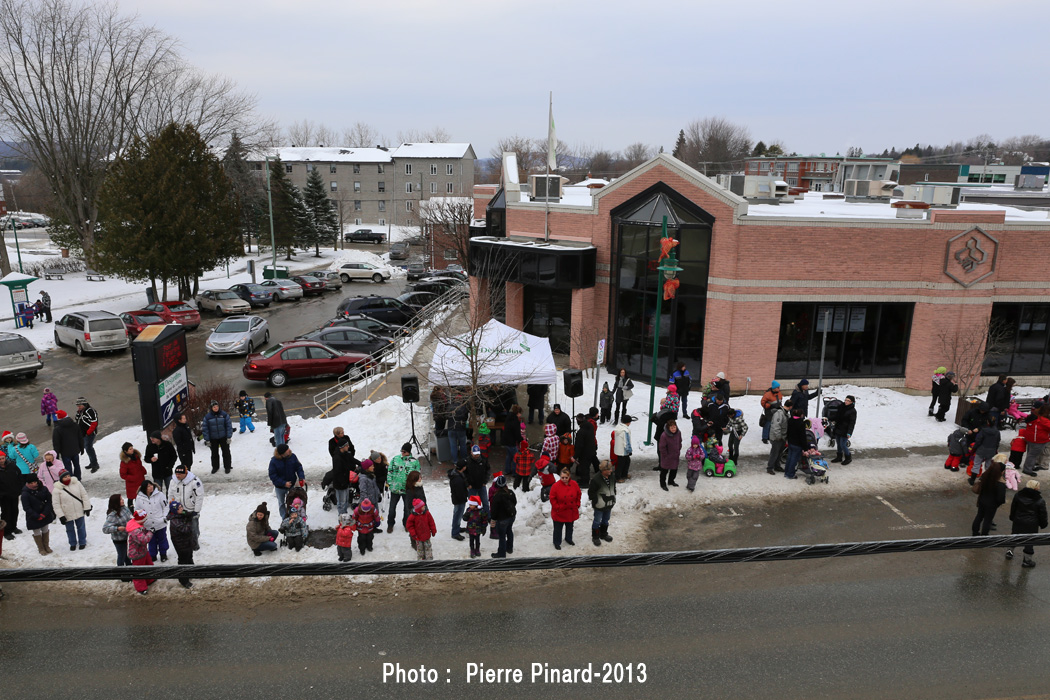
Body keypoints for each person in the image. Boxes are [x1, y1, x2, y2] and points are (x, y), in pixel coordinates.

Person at [1006, 479, 1048, 567]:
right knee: (1029, 541)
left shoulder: (1018, 495)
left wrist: (1012, 517)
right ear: (1036, 488)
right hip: (1031, 524)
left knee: (1014, 536)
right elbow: (1042, 514)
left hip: (1018, 520)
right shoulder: (1040, 500)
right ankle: (1027, 561)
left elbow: (1013, 507)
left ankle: (1009, 552)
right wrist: (1043, 524)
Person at [52, 469, 90, 551]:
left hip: (79, 509)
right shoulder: (57, 490)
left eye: (68, 476)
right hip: (67, 513)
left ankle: (82, 541)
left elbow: (84, 495)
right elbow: (56, 504)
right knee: (70, 529)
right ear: (61, 478)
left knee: (81, 527)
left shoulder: (77, 483)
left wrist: (87, 507)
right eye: (65, 477)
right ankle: (72, 543)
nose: (67, 478)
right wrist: (61, 516)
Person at [167, 465, 203, 545]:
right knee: (180, 527)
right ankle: (183, 542)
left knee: (193, 527)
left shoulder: (195, 482)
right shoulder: (173, 481)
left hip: (190, 509)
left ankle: (194, 543)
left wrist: (196, 511)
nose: (177, 476)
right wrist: (172, 507)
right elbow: (170, 495)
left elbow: (199, 497)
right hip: (178, 510)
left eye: (179, 474)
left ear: (185, 474)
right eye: (176, 474)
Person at [387, 443, 418, 532]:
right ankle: (390, 524)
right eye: (402, 451)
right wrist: (390, 484)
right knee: (392, 508)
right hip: (395, 489)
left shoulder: (414, 462)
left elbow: (417, 475)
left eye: (404, 451)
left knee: (407, 508)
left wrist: (413, 486)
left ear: (409, 452)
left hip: (407, 490)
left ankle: (406, 524)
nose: (402, 453)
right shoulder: (395, 459)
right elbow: (390, 471)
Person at [268, 444, 304, 520]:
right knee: (281, 503)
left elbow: (298, 467)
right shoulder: (274, 461)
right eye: (287, 450)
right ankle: (284, 518)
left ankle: (293, 517)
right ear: (282, 453)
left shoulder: (292, 456)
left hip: (291, 485)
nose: (289, 450)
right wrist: (283, 483)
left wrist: (301, 477)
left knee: (292, 502)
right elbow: (272, 475)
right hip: (280, 487)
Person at [20, 473, 54, 555]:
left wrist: (44, 513)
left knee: (45, 530)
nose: (33, 484)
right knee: (37, 532)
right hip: (33, 516)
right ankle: (41, 548)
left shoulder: (43, 489)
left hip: (44, 514)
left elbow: (49, 501)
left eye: (35, 482)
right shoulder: (25, 494)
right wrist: (36, 516)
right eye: (31, 483)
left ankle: (46, 546)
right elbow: (26, 507)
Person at [548, 467, 581, 550]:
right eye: (562, 477)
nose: (564, 479)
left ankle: (568, 539)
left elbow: (578, 494)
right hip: (560, 512)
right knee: (558, 529)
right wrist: (557, 507)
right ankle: (556, 542)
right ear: (560, 477)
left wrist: (577, 504)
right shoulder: (555, 486)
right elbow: (552, 498)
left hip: (571, 510)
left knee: (570, 527)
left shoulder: (574, 484)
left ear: (569, 477)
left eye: (566, 477)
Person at [166, 500, 196, 588]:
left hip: (187, 542)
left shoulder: (180, 515)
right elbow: (186, 529)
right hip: (181, 545)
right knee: (183, 561)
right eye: (179, 508)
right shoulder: (175, 521)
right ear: (175, 510)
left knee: (189, 558)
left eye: (181, 506)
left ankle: (192, 572)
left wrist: (190, 514)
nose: (182, 508)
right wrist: (190, 520)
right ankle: (184, 580)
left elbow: (187, 514)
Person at [137, 480, 169, 563]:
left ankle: (163, 554)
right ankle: (153, 555)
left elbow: (166, 507)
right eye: (148, 486)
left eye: (151, 485)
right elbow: (138, 511)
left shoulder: (160, 495)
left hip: (160, 523)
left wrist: (164, 518)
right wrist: (142, 521)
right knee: (151, 540)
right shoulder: (139, 498)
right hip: (148, 525)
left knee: (162, 539)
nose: (151, 487)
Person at [972, 461, 1007, 536]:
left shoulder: (985, 476)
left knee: (979, 516)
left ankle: (975, 533)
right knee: (987, 520)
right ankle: (984, 535)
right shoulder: (1000, 484)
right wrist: (997, 504)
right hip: (991, 505)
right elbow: (1001, 498)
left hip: (982, 500)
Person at [125, 510, 155, 595]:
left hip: (142, 551)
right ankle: (141, 588)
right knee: (138, 571)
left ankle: (149, 579)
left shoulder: (136, 523)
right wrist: (150, 532)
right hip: (137, 554)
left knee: (148, 565)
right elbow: (144, 540)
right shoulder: (135, 530)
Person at [588, 460, 616, 546]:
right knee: (597, 521)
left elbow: (613, 487)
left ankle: (603, 534)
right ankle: (595, 536)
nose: (611, 470)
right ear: (603, 470)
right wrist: (596, 501)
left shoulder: (612, 477)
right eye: (609, 469)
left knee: (606, 519)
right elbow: (591, 493)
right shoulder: (596, 479)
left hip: (609, 504)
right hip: (599, 505)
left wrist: (613, 495)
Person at [201, 400, 233, 474]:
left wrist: (229, 436)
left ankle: (227, 467)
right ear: (211, 408)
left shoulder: (224, 415)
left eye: (217, 406)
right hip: (213, 438)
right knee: (214, 454)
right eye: (214, 407)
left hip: (223, 437)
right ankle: (215, 467)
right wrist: (207, 440)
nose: (216, 408)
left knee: (226, 453)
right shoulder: (207, 417)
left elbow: (229, 426)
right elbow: (205, 429)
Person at [489, 475, 516, 558]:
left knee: (502, 537)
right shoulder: (510, 492)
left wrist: (493, 519)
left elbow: (494, 510)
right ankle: (509, 548)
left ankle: (501, 554)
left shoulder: (497, 496)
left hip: (502, 520)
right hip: (511, 517)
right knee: (509, 531)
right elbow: (514, 502)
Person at [51, 409, 82, 479]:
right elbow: (80, 437)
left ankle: (69, 479)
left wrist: (56, 455)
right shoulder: (75, 425)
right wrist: (81, 448)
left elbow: (56, 443)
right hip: (75, 450)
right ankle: (78, 478)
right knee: (77, 465)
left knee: (68, 467)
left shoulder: (57, 429)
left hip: (65, 452)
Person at [102, 494, 132, 568]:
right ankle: (120, 570)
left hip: (127, 536)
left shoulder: (124, 508)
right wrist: (117, 528)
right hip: (119, 540)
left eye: (122, 499)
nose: (123, 500)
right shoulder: (112, 515)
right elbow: (105, 529)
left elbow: (130, 517)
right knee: (121, 555)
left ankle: (129, 567)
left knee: (126, 554)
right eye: (120, 499)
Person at [1020, 404, 1050, 476]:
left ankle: (1030, 466)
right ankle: (1027, 469)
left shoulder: (1034, 417)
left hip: (1031, 438)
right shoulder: (1044, 420)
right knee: (1033, 455)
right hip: (1039, 440)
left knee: (1031, 454)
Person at [971, 415, 1001, 484]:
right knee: (988, 466)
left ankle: (972, 480)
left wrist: (974, 448)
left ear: (988, 422)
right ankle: (986, 480)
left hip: (981, 450)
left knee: (977, 464)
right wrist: (995, 449)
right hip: (991, 451)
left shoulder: (983, 430)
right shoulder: (997, 432)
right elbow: (997, 442)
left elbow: (978, 440)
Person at [74, 397, 100, 474]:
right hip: (83, 434)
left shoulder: (90, 411)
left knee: (89, 448)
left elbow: (94, 423)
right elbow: (77, 420)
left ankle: (95, 464)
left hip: (89, 434)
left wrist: (88, 432)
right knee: (87, 448)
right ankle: (92, 462)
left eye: (79, 405)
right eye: (77, 406)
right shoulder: (80, 411)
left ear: (84, 404)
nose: (78, 407)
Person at [0, 452, 22, 540]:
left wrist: (19, 488)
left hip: (14, 493)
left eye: (3, 458)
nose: (1, 460)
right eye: (0, 459)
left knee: (14, 511)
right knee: (6, 513)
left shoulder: (12, 465)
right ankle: (6, 531)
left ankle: (13, 527)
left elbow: (19, 475)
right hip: (3, 496)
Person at [464, 445, 491, 517]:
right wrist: (467, 484)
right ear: (471, 452)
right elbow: (464, 474)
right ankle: (473, 517)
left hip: (481, 485)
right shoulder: (467, 461)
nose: (476, 456)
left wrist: (485, 481)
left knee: (485, 502)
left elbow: (488, 471)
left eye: (478, 454)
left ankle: (487, 517)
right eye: (475, 454)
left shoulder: (484, 460)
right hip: (471, 487)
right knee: (472, 503)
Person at [118, 442, 146, 510]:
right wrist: (133, 478)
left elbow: (140, 466)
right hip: (132, 484)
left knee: (141, 497)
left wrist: (143, 471)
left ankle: (141, 511)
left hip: (140, 480)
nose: (132, 450)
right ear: (125, 451)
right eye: (130, 449)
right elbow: (123, 475)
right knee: (131, 498)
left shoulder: (136, 457)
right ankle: (131, 512)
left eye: (132, 448)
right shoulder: (124, 461)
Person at [658, 418, 682, 491]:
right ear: (668, 428)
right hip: (667, 457)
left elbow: (680, 441)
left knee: (674, 470)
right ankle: (663, 484)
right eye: (671, 428)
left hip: (675, 455)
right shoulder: (664, 435)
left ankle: (671, 481)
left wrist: (678, 449)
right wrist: (666, 455)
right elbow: (662, 447)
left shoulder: (678, 433)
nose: (673, 429)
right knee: (664, 471)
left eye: (674, 427)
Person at [831, 395, 857, 465]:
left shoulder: (852, 411)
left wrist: (849, 432)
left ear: (852, 402)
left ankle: (848, 457)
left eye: (848, 401)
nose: (846, 402)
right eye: (845, 400)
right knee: (839, 444)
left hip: (845, 430)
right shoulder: (841, 407)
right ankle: (839, 457)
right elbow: (837, 416)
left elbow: (852, 423)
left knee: (843, 445)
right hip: (838, 428)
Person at [783, 407, 807, 480]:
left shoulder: (790, 420)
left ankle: (786, 472)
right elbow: (802, 436)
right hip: (797, 444)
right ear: (801, 415)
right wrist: (805, 447)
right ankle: (790, 474)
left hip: (791, 442)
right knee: (794, 459)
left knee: (789, 458)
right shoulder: (801, 423)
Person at [448, 460, 468, 541]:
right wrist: (465, 497)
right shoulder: (458, 479)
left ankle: (457, 528)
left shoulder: (455, 475)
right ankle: (455, 533)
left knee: (457, 514)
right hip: (459, 500)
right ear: (463, 468)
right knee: (458, 515)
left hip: (457, 499)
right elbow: (460, 492)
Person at [403, 470, 427, 539]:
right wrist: (416, 512)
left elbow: (423, 497)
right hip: (416, 513)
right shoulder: (410, 490)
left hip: (423, 509)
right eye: (419, 477)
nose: (421, 478)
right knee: (415, 530)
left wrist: (425, 508)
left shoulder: (419, 485)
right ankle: (415, 541)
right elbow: (409, 505)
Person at [502, 404, 523, 475]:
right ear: (518, 413)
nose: (520, 415)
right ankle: (515, 472)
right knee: (515, 457)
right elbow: (517, 434)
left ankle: (507, 470)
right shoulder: (516, 421)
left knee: (509, 456)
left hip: (506, 440)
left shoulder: (509, 417)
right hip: (511, 442)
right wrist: (521, 440)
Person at [612, 415, 633, 483]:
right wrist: (629, 450)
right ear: (628, 422)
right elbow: (626, 442)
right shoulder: (625, 431)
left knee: (625, 462)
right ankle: (618, 477)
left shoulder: (618, 428)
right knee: (621, 464)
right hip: (623, 450)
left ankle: (624, 474)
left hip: (619, 449)